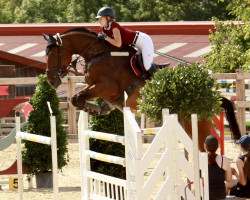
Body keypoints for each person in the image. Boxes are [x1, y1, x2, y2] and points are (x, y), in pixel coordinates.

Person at [95, 7, 157, 76]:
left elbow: (118, 44)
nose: (99, 21)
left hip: (144, 41)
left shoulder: (114, 26)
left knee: (147, 65)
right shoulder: (105, 29)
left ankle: (160, 82)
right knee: (134, 62)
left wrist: (106, 37)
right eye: (98, 19)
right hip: (135, 45)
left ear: (108, 18)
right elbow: (106, 41)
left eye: (101, 19)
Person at [204, 135, 232, 200]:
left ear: (205, 146)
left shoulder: (200, 159)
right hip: (220, 195)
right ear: (217, 146)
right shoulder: (223, 159)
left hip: (206, 194)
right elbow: (229, 179)